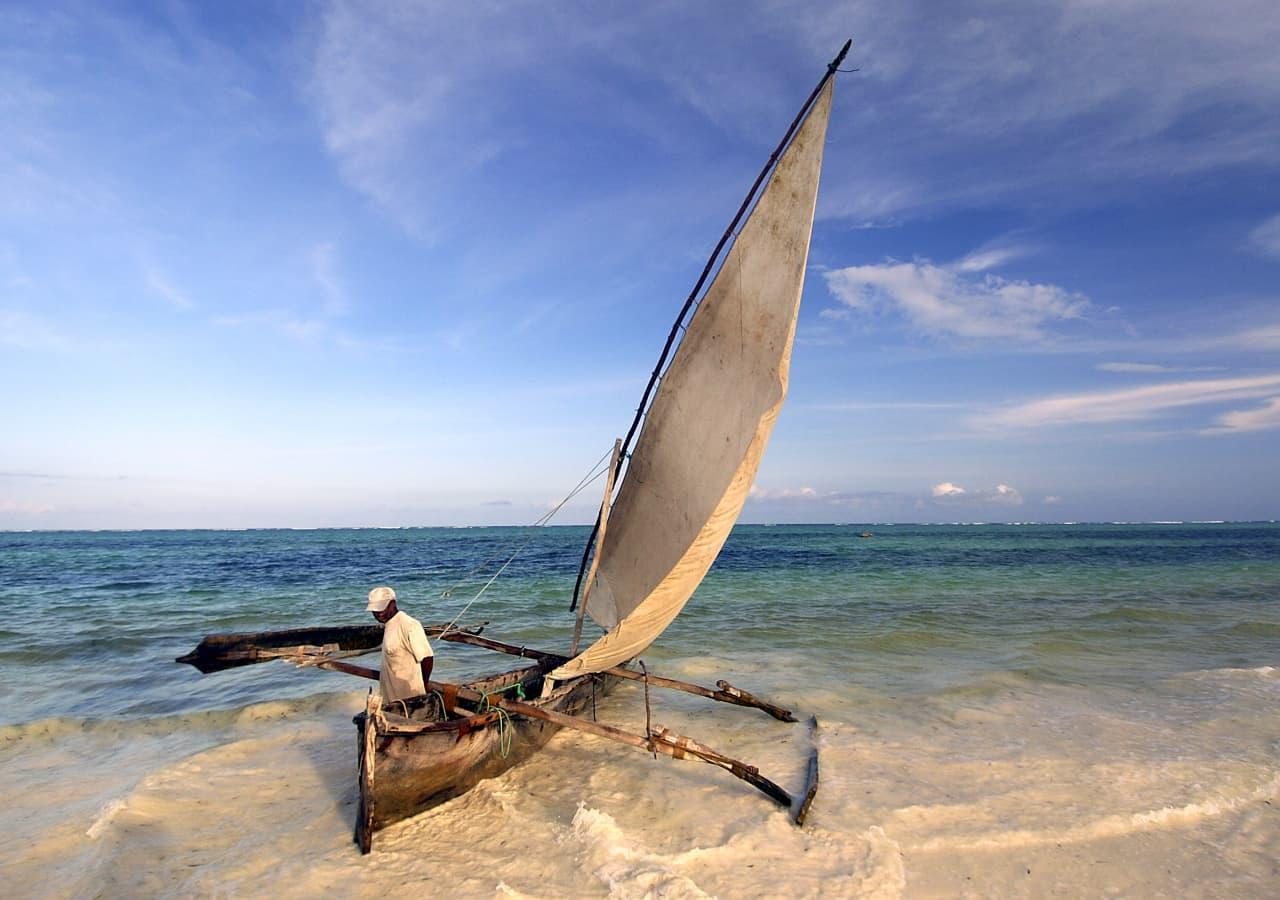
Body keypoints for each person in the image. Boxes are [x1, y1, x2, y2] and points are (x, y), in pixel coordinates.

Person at [366, 585, 433, 702]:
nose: (378, 613)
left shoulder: (408, 625)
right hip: (391, 698)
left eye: (381, 609)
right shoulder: (389, 624)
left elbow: (427, 657)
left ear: (392, 604)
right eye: (375, 610)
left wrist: (424, 686)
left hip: (409, 698)